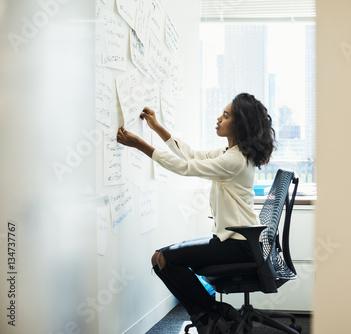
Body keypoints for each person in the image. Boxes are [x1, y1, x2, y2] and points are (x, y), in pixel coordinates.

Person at [116, 93, 276, 334]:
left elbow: (186, 167)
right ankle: (214, 316)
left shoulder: (235, 160)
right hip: (232, 238)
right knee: (159, 259)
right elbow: (191, 155)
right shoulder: (231, 152)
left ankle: (211, 316)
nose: (219, 119)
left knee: (164, 259)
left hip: (239, 243)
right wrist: (157, 128)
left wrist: (139, 144)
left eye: (226, 115)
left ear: (240, 123)